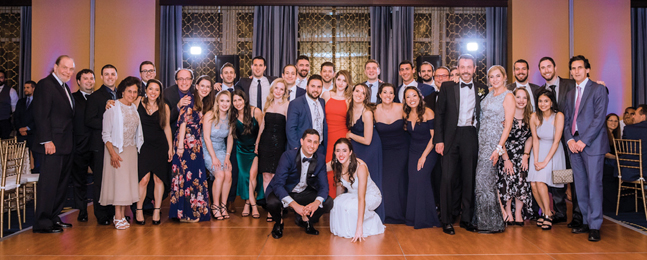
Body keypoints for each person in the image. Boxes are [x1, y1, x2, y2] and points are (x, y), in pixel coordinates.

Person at [434, 54, 488, 235]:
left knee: (469, 178)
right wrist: (439, 140)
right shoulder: (447, 87)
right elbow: (439, 115)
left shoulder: (482, 89)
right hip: (450, 136)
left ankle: (467, 219)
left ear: (474, 69)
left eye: (469, 67)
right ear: (457, 69)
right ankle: (447, 220)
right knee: (447, 178)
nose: (465, 70)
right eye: (462, 67)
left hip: (470, 135)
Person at [563, 55, 608, 242]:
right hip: (574, 145)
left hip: (592, 144)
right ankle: (585, 221)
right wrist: (570, 141)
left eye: (580, 67)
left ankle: (595, 225)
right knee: (579, 186)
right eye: (573, 68)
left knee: (594, 185)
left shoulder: (598, 89)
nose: (576, 71)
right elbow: (566, 120)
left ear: (587, 69)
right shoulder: (569, 94)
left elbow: (599, 119)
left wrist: (584, 140)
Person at [31, 55, 76, 233]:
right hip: (52, 145)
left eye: (71, 69)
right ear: (55, 67)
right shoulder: (45, 84)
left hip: (64, 145)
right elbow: (41, 115)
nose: (68, 71)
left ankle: (53, 217)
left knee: (61, 184)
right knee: (49, 184)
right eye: (64, 67)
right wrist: (47, 140)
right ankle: (42, 222)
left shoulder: (63, 86)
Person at [537, 56, 582, 227]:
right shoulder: (540, 91)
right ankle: (560, 212)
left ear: (555, 67)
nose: (546, 70)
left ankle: (578, 215)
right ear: (540, 71)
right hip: (551, 143)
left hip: (570, 140)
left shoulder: (570, 84)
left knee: (576, 179)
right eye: (542, 67)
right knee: (557, 178)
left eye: (549, 66)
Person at [266, 129, 333, 239]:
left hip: (303, 192)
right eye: (309, 141)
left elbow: (324, 186)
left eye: (315, 142)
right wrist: (295, 205)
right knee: (272, 202)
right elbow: (278, 184)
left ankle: (305, 220)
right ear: (302, 141)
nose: (312, 145)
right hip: (284, 190)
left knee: (328, 202)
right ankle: (279, 223)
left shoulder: (320, 159)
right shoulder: (288, 156)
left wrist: (316, 202)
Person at [472, 65, 514, 233]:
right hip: (480, 140)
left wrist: (498, 149)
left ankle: (493, 223)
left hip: (493, 144)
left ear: (504, 77)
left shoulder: (508, 96)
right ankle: (483, 220)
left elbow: (508, 126)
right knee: (481, 182)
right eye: (491, 76)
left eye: (498, 76)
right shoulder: (489, 93)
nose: (495, 79)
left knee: (485, 181)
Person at [99, 76, 144, 230]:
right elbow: (105, 134)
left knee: (127, 184)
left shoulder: (133, 107)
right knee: (119, 184)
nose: (132, 94)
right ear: (123, 91)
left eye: (135, 92)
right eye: (129, 91)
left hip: (131, 150)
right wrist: (112, 153)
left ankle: (122, 214)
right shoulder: (112, 107)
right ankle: (117, 216)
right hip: (117, 149)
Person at [169, 75, 214, 222]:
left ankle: (193, 212)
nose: (205, 89)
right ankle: (185, 214)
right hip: (185, 142)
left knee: (195, 177)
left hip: (195, 144)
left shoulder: (203, 102)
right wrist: (180, 145)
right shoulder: (190, 99)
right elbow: (182, 122)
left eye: (208, 87)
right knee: (184, 178)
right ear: (197, 86)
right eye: (202, 86)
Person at [328, 138, 385, 241]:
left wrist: (359, 228)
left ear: (350, 152)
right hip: (352, 195)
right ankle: (347, 230)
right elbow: (320, 167)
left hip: (370, 195)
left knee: (353, 207)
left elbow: (361, 198)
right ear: (335, 152)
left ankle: (368, 222)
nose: (341, 154)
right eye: (338, 150)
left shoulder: (360, 167)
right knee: (335, 203)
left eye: (344, 150)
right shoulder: (337, 163)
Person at [402, 86, 441, 229]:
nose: (412, 99)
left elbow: (433, 137)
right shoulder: (406, 114)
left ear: (420, 97)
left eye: (414, 96)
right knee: (413, 182)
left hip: (428, 151)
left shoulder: (428, 112)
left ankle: (427, 218)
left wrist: (423, 156)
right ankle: (413, 218)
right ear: (405, 100)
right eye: (408, 97)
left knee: (420, 179)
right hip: (413, 151)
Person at [135, 79, 172, 225]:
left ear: (160, 92)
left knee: (158, 179)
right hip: (143, 146)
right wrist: (110, 102)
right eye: (151, 89)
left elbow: (167, 127)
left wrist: (170, 147)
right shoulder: (138, 101)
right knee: (143, 179)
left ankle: (157, 210)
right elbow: (123, 105)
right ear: (146, 89)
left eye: (157, 90)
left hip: (160, 146)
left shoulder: (164, 107)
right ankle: (139, 210)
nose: (153, 92)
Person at [528, 89, 566, 230]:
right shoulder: (534, 116)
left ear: (551, 102)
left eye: (546, 101)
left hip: (554, 151)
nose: (543, 104)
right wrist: (536, 160)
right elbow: (535, 140)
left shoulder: (559, 116)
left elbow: (556, 141)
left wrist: (545, 162)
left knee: (540, 182)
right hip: (538, 150)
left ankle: (548, 215)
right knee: (533, 184)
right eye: (540, 101)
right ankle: (546, 212)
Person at [85, 64, 118, 225]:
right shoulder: (95, 97)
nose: (110, 77)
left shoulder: (122, 95)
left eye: (112, 74)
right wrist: (109, 122)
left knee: (115, 180)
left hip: (118, 145)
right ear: (102, 77)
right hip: (100, 145)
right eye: (106, 74)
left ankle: (114, 212)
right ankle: (101, 214)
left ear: (116, 76)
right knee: (100, 180)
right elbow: (89, 120)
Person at [346, 83, 384, 221]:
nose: (359, 95)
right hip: (357, 148)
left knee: (368, 180)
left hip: (370, 148)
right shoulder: (349, 108)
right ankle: (357, 212)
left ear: (366, 97)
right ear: (352, 92)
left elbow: (368, 140)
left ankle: (372, 215)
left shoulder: (367, 113)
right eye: (357, 91)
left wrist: (350, 136)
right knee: (356, 179)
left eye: (363, 93)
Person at [498, 87, 534, 226]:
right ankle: (508, 210)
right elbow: (500, 139)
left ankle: (518, 212)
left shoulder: (531, 116)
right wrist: (506, 159)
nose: (521, 100)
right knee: (507, 177)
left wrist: (526, 156)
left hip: (522, 153)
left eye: (524, 97)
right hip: (506, 153)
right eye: (518, 97)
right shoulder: (506, 115)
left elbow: (530, 138)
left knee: (522, 178)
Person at [255, 78, 289, 221]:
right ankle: (270, 208)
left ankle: (277, 208)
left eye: (281, 89)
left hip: (279, 145)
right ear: (272, 89)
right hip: (265, 144)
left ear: (285, 92)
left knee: (277, 177)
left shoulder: (288, 105)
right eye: (276, 88)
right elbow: (262, 126)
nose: (278, 91)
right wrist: (257, 144)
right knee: (265, 177)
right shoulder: (267, 104)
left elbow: (288, 128)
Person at [375, 83, 408, 224]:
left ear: (394, 96)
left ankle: (399, 214)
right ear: (380, 95)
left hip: (402, 150)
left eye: (391, 93)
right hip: (383, 151)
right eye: (385, 92)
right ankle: (386, 213)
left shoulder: (401, 108)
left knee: (398, 181)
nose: (388, 95)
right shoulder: (373, 110)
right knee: (386, 182)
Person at [231, 89, 263, 218]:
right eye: (235, 100)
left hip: (255, 148)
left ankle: (250, 204)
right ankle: (249, 202)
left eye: (240, 99)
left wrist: (257, 145)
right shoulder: (232, 115)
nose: (238, 103)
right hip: (241, 150)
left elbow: (262, 130)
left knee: (252, 175)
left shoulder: (256, 111)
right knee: (244, 176)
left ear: (245, 100)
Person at [203, 90, 234, 220]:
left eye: (227, 101)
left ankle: (223, 205)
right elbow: (206, 138)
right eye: (222, 100)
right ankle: (214, 206)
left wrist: (227, 156)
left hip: (222, 149)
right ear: (217, 102)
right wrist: (214, 157)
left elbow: (230, 137)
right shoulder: (209, 115)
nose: (224, 104)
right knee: (219, 174)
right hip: (208, 149)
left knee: (228, 173)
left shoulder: (231, 117)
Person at [321, 70, 352, 198]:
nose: (341, 83)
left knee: (339, 167)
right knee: (326, 166)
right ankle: (325, 197)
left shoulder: (349, 100)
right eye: (339, 79)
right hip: (327, 137)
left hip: (342, 136)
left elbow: (351, 120)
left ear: (347, 83)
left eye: (344, 80)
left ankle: (337, 200)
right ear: (335, 80)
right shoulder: (326, 95)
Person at [70, 70, 94, 222]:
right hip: (78, 146)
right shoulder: (72, 99)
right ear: (78, 81)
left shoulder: (99, 97)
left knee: (101, 179)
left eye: (91, 78)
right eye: (85, 79)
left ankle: (102, 210)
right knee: (79, 180)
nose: (89, 81)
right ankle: (82, 210)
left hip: (98, 145)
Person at [286, 75, 328, 155]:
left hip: (320, 148)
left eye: (319, 87)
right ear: (307, 87)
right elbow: (290, 129)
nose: (316, 90)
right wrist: (297, 149)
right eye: (313, 86)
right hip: (302, 149)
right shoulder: (296, 103)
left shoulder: (322, 102)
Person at [13, 81, 38, 172]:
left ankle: (36, 176)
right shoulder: (21, 102)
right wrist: (20, 128)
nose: (25, 90)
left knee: (36, 156)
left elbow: (38, 118)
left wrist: (27, 128)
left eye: (27, 87)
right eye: (24, 88)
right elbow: (16, 117)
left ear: (33, 88)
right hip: (21, 134)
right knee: (20, 156)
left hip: (33, 133)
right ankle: (21, 174)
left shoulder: (39, 101)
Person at [620, 105, 647, 188]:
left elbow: (624, 149)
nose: (633, 117)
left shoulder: (628, 129)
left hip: (632, 171)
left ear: (643, 116)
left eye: (635, 114)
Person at [164, 68, 195, 136]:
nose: (184, 82)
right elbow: (164, 120)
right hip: (174, 135)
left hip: (194, 134)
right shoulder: (167, 94)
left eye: (187, 79)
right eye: (181, 79)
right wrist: (178, 106)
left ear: (191, 80)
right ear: (176, 81)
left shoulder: (197, 92)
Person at [602, 113, 621, 212]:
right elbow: (604, 153)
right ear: (606, 121)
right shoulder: (603, 134)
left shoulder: (615, 135)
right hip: (605, 164)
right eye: (611, 120)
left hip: (613, 163)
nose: (613, 123)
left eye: (616, 121)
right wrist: (618, 158)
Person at [0, 69, 18, 139]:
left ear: (4, 79)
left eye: (1, 77)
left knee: (4, 142)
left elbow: (14, 109)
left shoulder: (11, 91)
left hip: (4, 122)